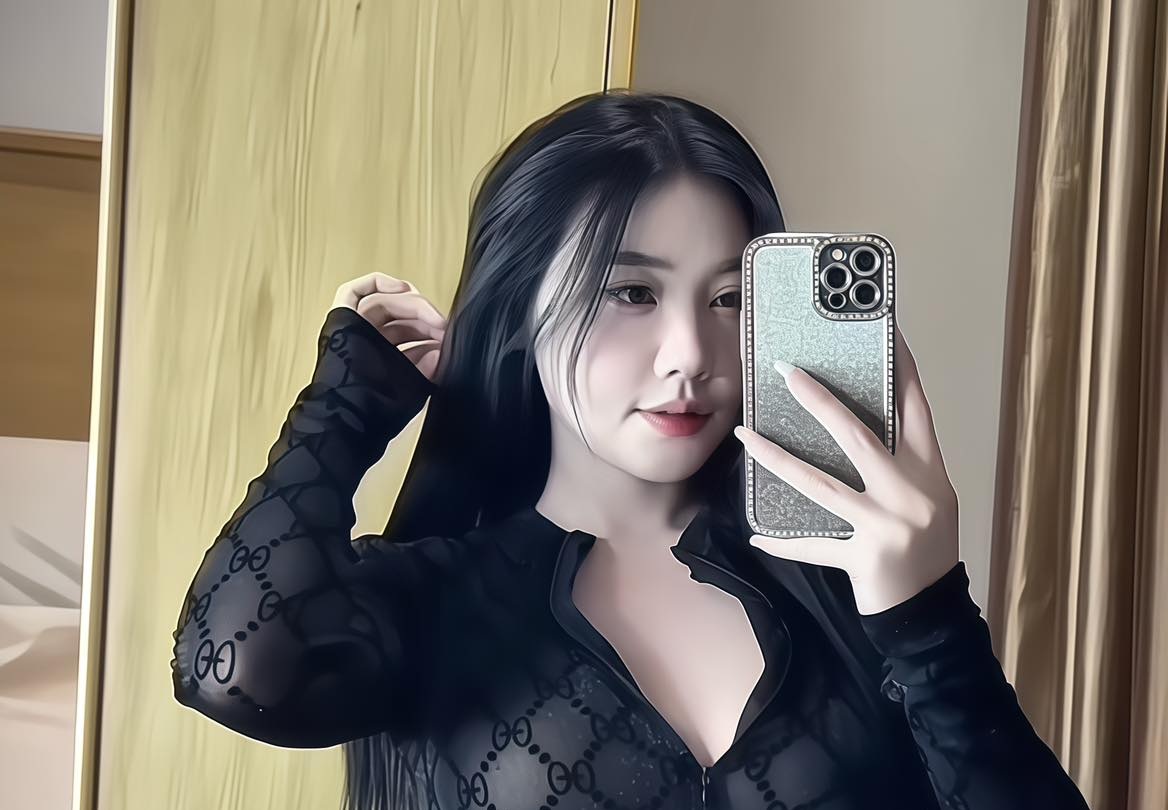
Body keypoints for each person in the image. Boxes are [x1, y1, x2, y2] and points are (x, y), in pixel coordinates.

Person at [170, 90, 1090, 810]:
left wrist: (927, 612)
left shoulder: (846, 591)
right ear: (521, 312)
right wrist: (348, 401)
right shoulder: (435, 599)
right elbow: (236, 667)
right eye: (632, 294)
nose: (690, 354)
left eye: (729, 299)